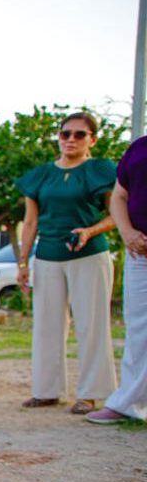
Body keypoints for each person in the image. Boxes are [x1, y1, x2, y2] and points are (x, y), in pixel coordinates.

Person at [16, 111, 117, 414]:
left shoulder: (99, 171)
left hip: (89, 255)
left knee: (91, 323)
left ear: (92, 140)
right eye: (65, 134)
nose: (71, 139)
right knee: (47, 324)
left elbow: (116, 215)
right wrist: (23, 263)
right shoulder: (41, 175)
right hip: (47, 255)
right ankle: (46, 390)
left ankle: (91, 393)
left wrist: (90, 230)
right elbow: (30, 221)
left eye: (79, 134)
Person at [86, 136, 147, 424]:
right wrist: (127, 233)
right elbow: (119, 196)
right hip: (140, 251)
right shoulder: (139, 148)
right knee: (140, 329)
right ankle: (129, 405)